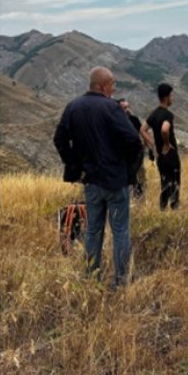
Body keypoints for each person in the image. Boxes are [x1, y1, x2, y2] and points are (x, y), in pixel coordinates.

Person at [54, 67, 142, 287]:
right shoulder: (111, 108)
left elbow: (59, 140)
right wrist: (127, 168)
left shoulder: (73, 107)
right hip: (115, 181)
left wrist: (74, 165)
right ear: (102, 86)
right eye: (112, 84)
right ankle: (120, 282)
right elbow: (133, 140)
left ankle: (92, 278)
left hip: (90, 181)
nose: (114, 88)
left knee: (93, 229)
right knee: (120, 230)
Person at [142, 83, 180, 210]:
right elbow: (165, 129)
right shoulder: (167, 115)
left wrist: (153, 144)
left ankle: (162, 210)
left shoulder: (154, 114)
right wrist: (167, 143)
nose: (173, 98)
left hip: (160, 157)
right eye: (171, 95)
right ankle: (175, 210)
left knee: (164, 184)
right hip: (171, 156)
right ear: (166, 97)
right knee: (175, 184)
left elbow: (142, 130)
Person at [118, 98, 146, 198]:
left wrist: (145, 146)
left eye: (127, 107)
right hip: (122, 157)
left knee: (140, 178)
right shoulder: (115, 121)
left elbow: (143, 133)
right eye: (123, 108)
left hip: (136, 155)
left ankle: (140, 199)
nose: (126, 110)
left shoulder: (134, 119)